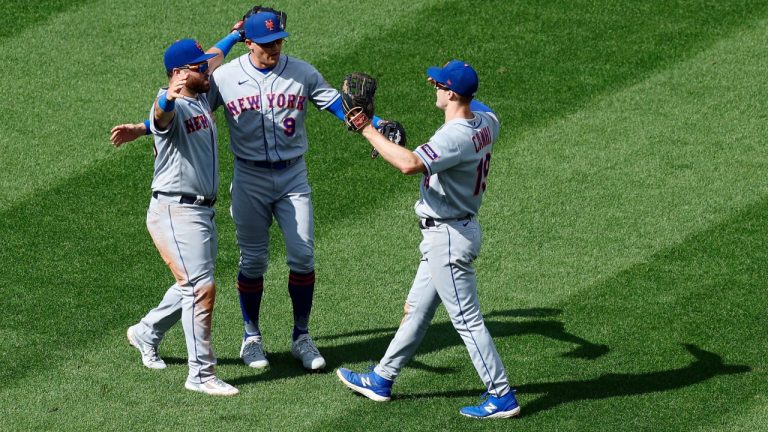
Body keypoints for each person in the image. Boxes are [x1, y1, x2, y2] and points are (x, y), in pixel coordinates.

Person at [111, 9, 395, 372]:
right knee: (253, 261)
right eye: (265, 43)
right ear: (249, 43)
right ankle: (251, 337)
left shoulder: (302, 72)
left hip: (294, 177)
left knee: (303, 256)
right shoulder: (224, 78)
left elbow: (337, 104)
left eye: (278, 41)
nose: (273, 48)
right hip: (249, 179)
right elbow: (183, 106)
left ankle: (302, 336)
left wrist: (376, 124)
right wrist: (143, 126)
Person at [335, 60, 520, 419]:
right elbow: (472, 112)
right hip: (451, 230)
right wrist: (380, 126)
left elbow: (408, 164)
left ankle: (501, 395)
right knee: (417, 310)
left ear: (451, 93)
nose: (433, 87)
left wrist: (366, 129)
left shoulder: (453, 137)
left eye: (438, 84)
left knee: (466, 320)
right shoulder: (486, 122)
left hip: (448, 237)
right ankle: (382, 378)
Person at [119, 32, 241, 396]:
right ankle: (200, 375)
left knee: (191, 284)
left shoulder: (201, 94)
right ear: (179, 73)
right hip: (176, 210)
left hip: (201, 212)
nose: (208, 67)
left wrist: (235, 35)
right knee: (201, 289)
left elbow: (216, 56)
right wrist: (162, 99)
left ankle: (146, 332)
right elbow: (161, 115)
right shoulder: (175, 105)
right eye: (198, 66)